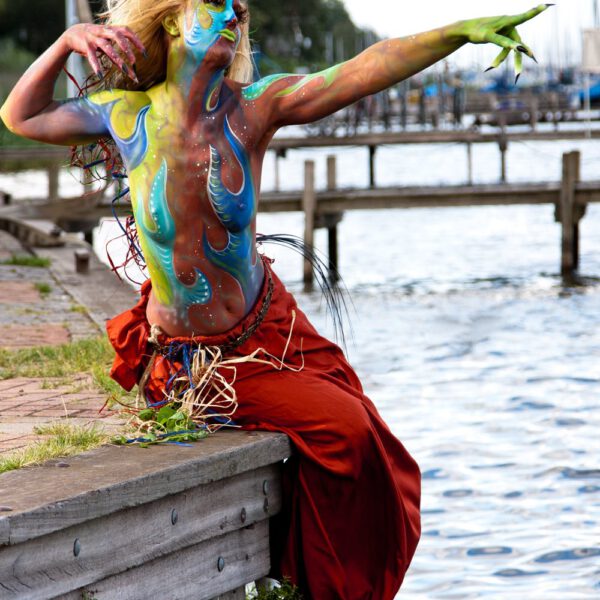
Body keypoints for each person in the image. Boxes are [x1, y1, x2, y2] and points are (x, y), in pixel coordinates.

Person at [0, 2, 550, 597]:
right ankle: (312, 582)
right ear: (168, 21)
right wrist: (66, 42)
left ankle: (314, 580)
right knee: (347, 430)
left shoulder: (253, 110)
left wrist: (458, 33)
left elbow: (366, 67)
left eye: (238, 5)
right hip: (191, 360)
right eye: (215, 2)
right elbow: (20, 114)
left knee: (370, 441)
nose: (235, 11)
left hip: (271, 333)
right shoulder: (123, 115)